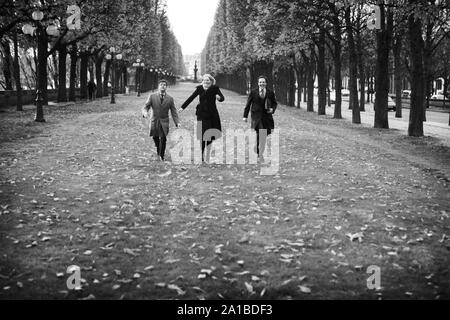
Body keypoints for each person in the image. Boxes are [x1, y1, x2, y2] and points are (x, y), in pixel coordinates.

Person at [179, 74, 225, 163]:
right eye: (205, 80)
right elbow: (191, 98)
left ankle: (207, 154)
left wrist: (219, 98)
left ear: (211, 81)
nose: (206, 81)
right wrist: (182, 107)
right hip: (201, 114)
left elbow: (222, 98)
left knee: (210, 135)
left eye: (208, 80)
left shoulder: (215, 88)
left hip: (212, 115)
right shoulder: (199, 88)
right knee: (202, 135)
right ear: (202, 81)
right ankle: (201, 155)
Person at [142, 79, 180, 161]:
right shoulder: (152, 96)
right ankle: (158, 150)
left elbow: (173, 111)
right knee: (155, 137)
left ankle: (161, 156)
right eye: (161, 84)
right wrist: (145, 112)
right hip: (154, 120)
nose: (163, 86)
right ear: (158, 86)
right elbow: (146, 107)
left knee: (163, 138)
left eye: (164, 85)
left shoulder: (170, 99)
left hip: (164, 121)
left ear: (166, 87)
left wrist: (177, 122)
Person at [243, 75, 277, 161]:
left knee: (264, 134)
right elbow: (248, 104)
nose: (262, 83)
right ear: (258, 83)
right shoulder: (253, 92)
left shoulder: (270, 92)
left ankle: (257, 148)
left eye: (263, 82)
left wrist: (272, 109)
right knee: (261, 132)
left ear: (266, 83)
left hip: (266, 116)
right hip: (256, 116)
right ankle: (260, 153)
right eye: (260, 82)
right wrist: (245, 116)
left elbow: (274, 103)